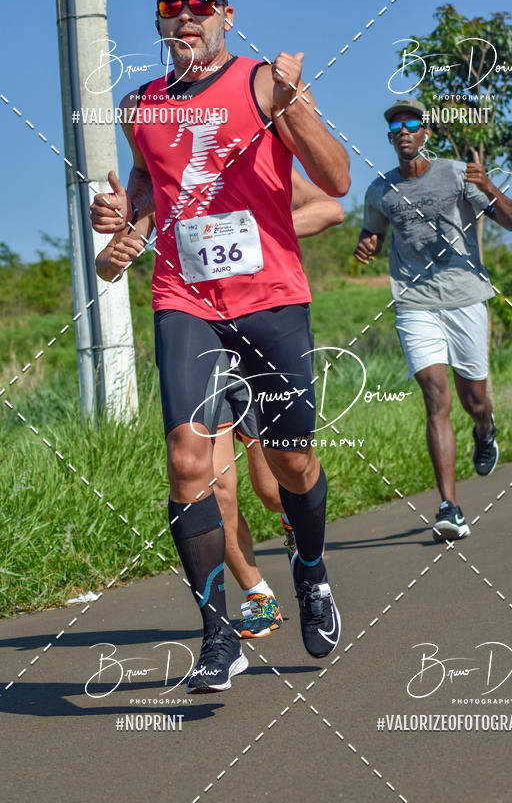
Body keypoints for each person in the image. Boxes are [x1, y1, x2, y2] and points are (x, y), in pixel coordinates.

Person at [91, 0, 350, 694]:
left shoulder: (263, 82)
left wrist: (296, 104)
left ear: (226, 18)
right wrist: (118, 221)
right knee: (186, 463)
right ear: (160, 21)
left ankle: (311, 570)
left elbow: (335, 181)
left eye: (202, 5)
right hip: (185, 299)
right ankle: (217, 633)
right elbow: (143, 196)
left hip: (269, 298)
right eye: (173, 4)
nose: (187, 15)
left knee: (293, 463)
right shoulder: (139, 105)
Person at [96, 171, 344, 638]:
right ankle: (257, 596)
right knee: (214, 487)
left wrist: (260, 229)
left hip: (258, 326)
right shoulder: (164, 171)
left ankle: (308, 562)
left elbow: (330, 207)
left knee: (274, 488)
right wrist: (112, 254)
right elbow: (113, 260)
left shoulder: (251, 154)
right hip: (196, 331)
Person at [355, 98, 512, 541]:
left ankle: (485, 430)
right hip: (414, 303)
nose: (404, 130)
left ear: (426, 132)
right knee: (435, 397)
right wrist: (366, 243)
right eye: (396, 126)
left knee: (474, 400)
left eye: (412, 124)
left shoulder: (454, 173)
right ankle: (450, 507)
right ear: (391, 138)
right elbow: (372, 228)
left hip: (466, 298)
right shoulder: (381, 190)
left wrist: (487, 184)